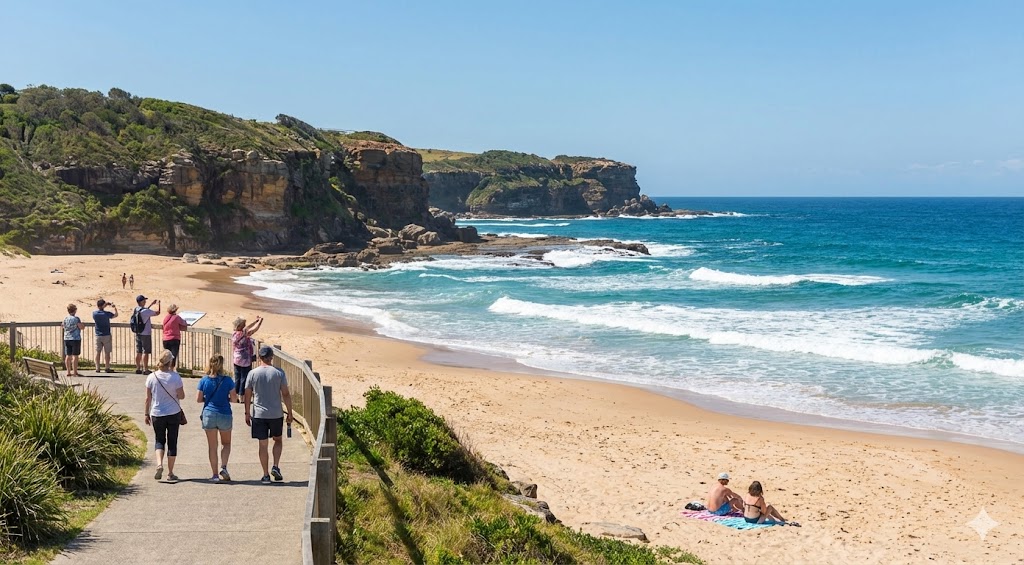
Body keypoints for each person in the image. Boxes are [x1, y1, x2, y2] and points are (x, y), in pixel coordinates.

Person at [245, 345, 292, 484]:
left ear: (259, 357)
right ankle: (276, 466)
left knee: (263, 445)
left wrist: (247, 413)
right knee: (277, 440)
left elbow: (247, 394)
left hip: (259, 414)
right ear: (271, 357)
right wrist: (289, 412)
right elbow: (285, 394)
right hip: (276, 413)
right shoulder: (279, 373)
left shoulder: (252, 373)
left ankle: (265, 475)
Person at [144, 350, 185, 483]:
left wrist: (146, 413)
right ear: (170, 362)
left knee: (159, 440)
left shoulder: (151, 377)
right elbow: (182, 395)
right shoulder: (175, 377)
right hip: (173, 412)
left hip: (157, 413)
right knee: (172, 442)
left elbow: (148, 398)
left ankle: (159, 464)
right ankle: (170, 472)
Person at [196, 354, 236, 482]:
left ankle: (214, 475)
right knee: (226, 443)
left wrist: (208, 398)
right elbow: (234, 399)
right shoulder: (228, 380)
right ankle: (223, 467)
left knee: (212, 446)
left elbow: (198, 399)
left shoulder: (204, 380)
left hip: (209, 413)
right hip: (224, 412)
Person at [232, 315, 264, 401]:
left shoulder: (235, 334)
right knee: (244, 378)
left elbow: (247, 327)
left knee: (237, 378)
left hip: (236, 358)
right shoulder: (243, 334)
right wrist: (259, 322)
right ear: (240, 326)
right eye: (243, 324)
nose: (245, 325)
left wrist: (255, 321)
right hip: (245, 360)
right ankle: (241, 397)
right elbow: (254, 329)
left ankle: (235, 396)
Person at [133, 295, 161, 374]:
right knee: (146, 351)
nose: (145, 301)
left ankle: (138, 368)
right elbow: (157, 313)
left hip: (138, 332)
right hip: (145, 333)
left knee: (139, 351)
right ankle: (145, 369)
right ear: (141, 302)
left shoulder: (136, 309)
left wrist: (151, 305)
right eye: (144, 300)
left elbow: (144, 312)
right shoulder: (145, 311)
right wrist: (159, 305)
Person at [92, 299, 119, 373]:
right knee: (107, 352)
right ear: (103, 305)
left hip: (98, 334)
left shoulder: (94, 313)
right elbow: (115, 315)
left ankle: (97, 367)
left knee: (98, 352)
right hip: (106, 334)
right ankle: (107, 367)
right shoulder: (106, 314)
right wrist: (114, 308)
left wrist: (105, 305)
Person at [162, 304, 189, 369]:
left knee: (166, 355)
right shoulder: (176, 317)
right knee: (173, 355)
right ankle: (171, 369)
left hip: (165, 338)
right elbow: (184, 323)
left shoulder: (166, 317)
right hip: (174, 338)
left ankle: (165, 368)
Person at [62, 303, 85, 377]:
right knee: (75, 356)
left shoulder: (65, 318)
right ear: (74, 310)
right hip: (75, 338)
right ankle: (75, 372)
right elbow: (81, 327)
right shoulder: (76, 319)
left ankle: (68, 371)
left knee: (68, 355)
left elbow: (62, 326)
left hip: (67, 338)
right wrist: (83, 325)